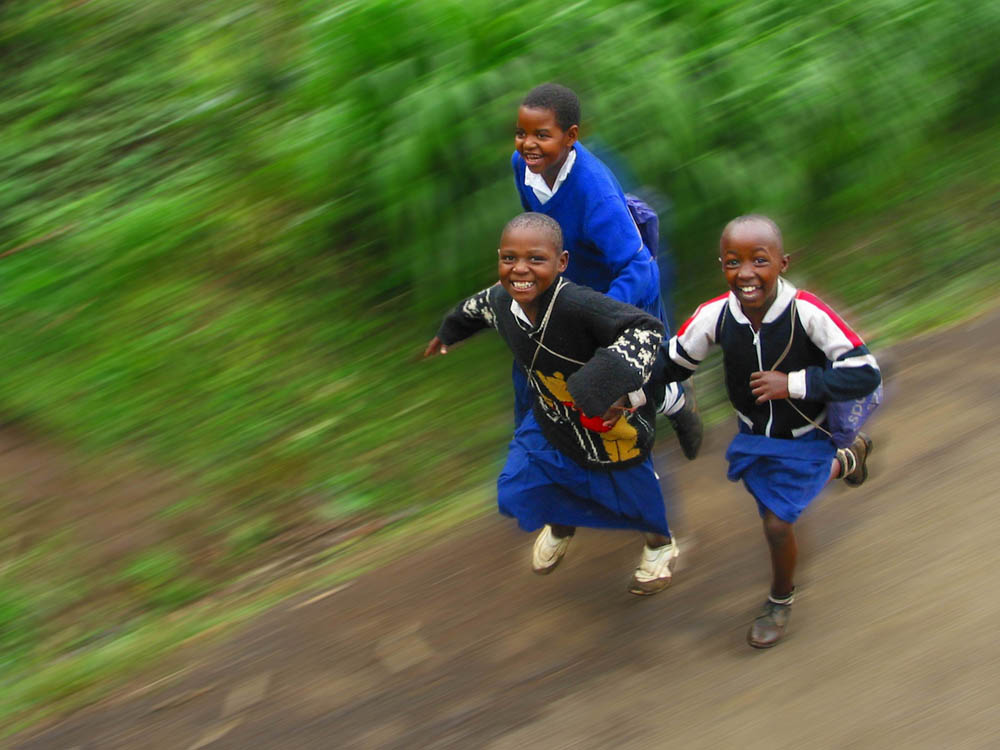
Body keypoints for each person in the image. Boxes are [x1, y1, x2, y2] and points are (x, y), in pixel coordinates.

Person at [653, 214, 881, 647]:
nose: (745, 274)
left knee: (778, 525)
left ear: (782, 263)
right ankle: (847, 460)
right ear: (722, 266)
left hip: (808, 432)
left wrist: (792, 384)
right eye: (732, 262)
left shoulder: (806, 312)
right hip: (754, 441)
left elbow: (864, 372)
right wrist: (628, 392)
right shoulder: (715, 315)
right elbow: (674, 362)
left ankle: (780, 599)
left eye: (759, 260)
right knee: (778, 506)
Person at [424, 213, 680, 595]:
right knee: (522, 485)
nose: (520, 269)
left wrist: (605, 386)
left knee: (633, 495)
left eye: (536, 259)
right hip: (553, 414)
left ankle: (660, 546)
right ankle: (562, 522)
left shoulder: (578, 305)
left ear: (561, 263)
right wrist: (449, 332)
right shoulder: (501, 300)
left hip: (610, 423)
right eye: (509, 259)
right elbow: (475, 308)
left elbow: (644, 329)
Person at [510, 82, 702, 459]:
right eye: (521, 133)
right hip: (568, 285)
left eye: (542, 135)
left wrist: (598, 317)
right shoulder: (522, 167)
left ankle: (677, 404)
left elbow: (641, 269)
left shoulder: (595, 195)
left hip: (618, 291)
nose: (528, 144)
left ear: (571, 137)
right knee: (529, 368)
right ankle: (533, 456)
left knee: (625, 390)